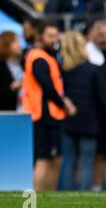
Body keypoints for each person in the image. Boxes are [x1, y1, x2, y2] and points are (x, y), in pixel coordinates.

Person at [22, 22, 77, 191]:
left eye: (56, 35)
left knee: (56, 159)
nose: (54, 40)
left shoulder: (47, 57)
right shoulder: (39, 58)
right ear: (41, 37)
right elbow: (48, 87)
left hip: (51, 115)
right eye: (50, 36)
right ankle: (34, 200)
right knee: (44, 159)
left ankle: (48, 198)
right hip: (44, 115)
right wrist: (64, 104)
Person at [59, 31, 106, 190]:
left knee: (69, 161)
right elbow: (103, 99)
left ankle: (66, 201)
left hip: (68, 122)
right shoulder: (93, 70)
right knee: (87, 162)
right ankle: (85, 201)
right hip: (89, 123)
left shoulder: (62, 71)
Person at [85, 18, 106, 190]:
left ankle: (97, 188)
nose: (102, 35)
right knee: (90, 155)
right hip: (92, 112)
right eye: (98, 31)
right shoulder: (86, 54)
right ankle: (89, 190)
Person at [0, 31, 23, 111]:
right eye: (16, 42)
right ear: (5, 45)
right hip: (8, 112)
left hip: (26, 110)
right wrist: (11, 89)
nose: (19, 45)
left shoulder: (23, 63)